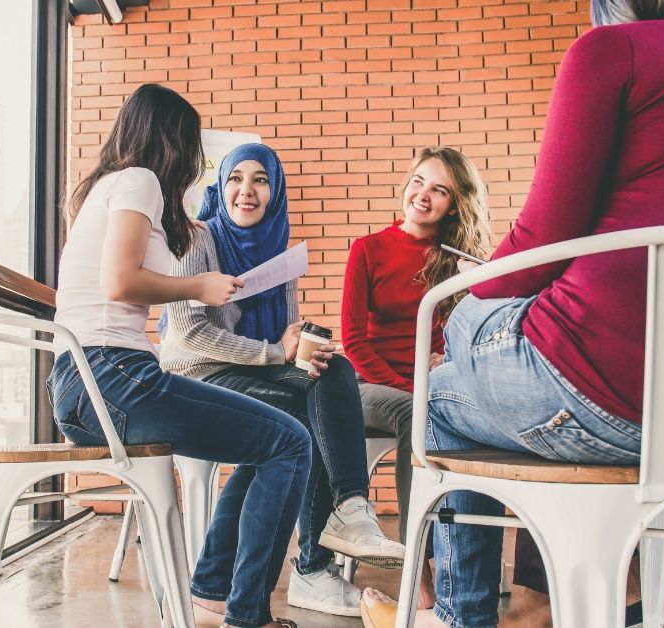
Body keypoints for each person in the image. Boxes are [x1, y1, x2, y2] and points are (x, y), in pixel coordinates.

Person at [361, 1, 664, 626]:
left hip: (602, 399)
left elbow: (535, 248)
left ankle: (457, 616)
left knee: (443, 387)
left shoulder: (616, 52)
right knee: (507, 348)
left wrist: (475, 301)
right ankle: (594, 601)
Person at [49, 84, 311, 628]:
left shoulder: (106, 188)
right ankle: (248, 617)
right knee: (290, 441)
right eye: (192, 148)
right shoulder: (139, 181)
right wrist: (198, 287)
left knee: (276, 441)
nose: (194, 165)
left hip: (85, 384)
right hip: (112, 376)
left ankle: (215, 597)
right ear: (170, 140)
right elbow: (119, 282)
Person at [160, 143, 405, 619]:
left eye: (260, 180)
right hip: (196, 376)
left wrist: (299, 351)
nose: (246, 191)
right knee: (297, 426)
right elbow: (188, 333)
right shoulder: (197, 238)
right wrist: (274, 353)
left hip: (250, 370)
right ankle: (313, 566)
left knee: (332, 368)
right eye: (235, 178)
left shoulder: (279, 253)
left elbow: (284, 341)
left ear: (275, 191)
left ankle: (346, 510)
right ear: (222, 185)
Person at [341, 146, 491, 608]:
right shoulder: (368, 249)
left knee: (472, 417)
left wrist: (446, 356)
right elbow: (354, 341)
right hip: (369, 386)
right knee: (420, 413)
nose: (422, 195)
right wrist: (413, 388)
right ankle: (416, 565)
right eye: (418, 182)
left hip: (436, 389)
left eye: (439, 189)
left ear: (455, 203)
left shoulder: (460, 259)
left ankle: (464, 567)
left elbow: (474, 334)